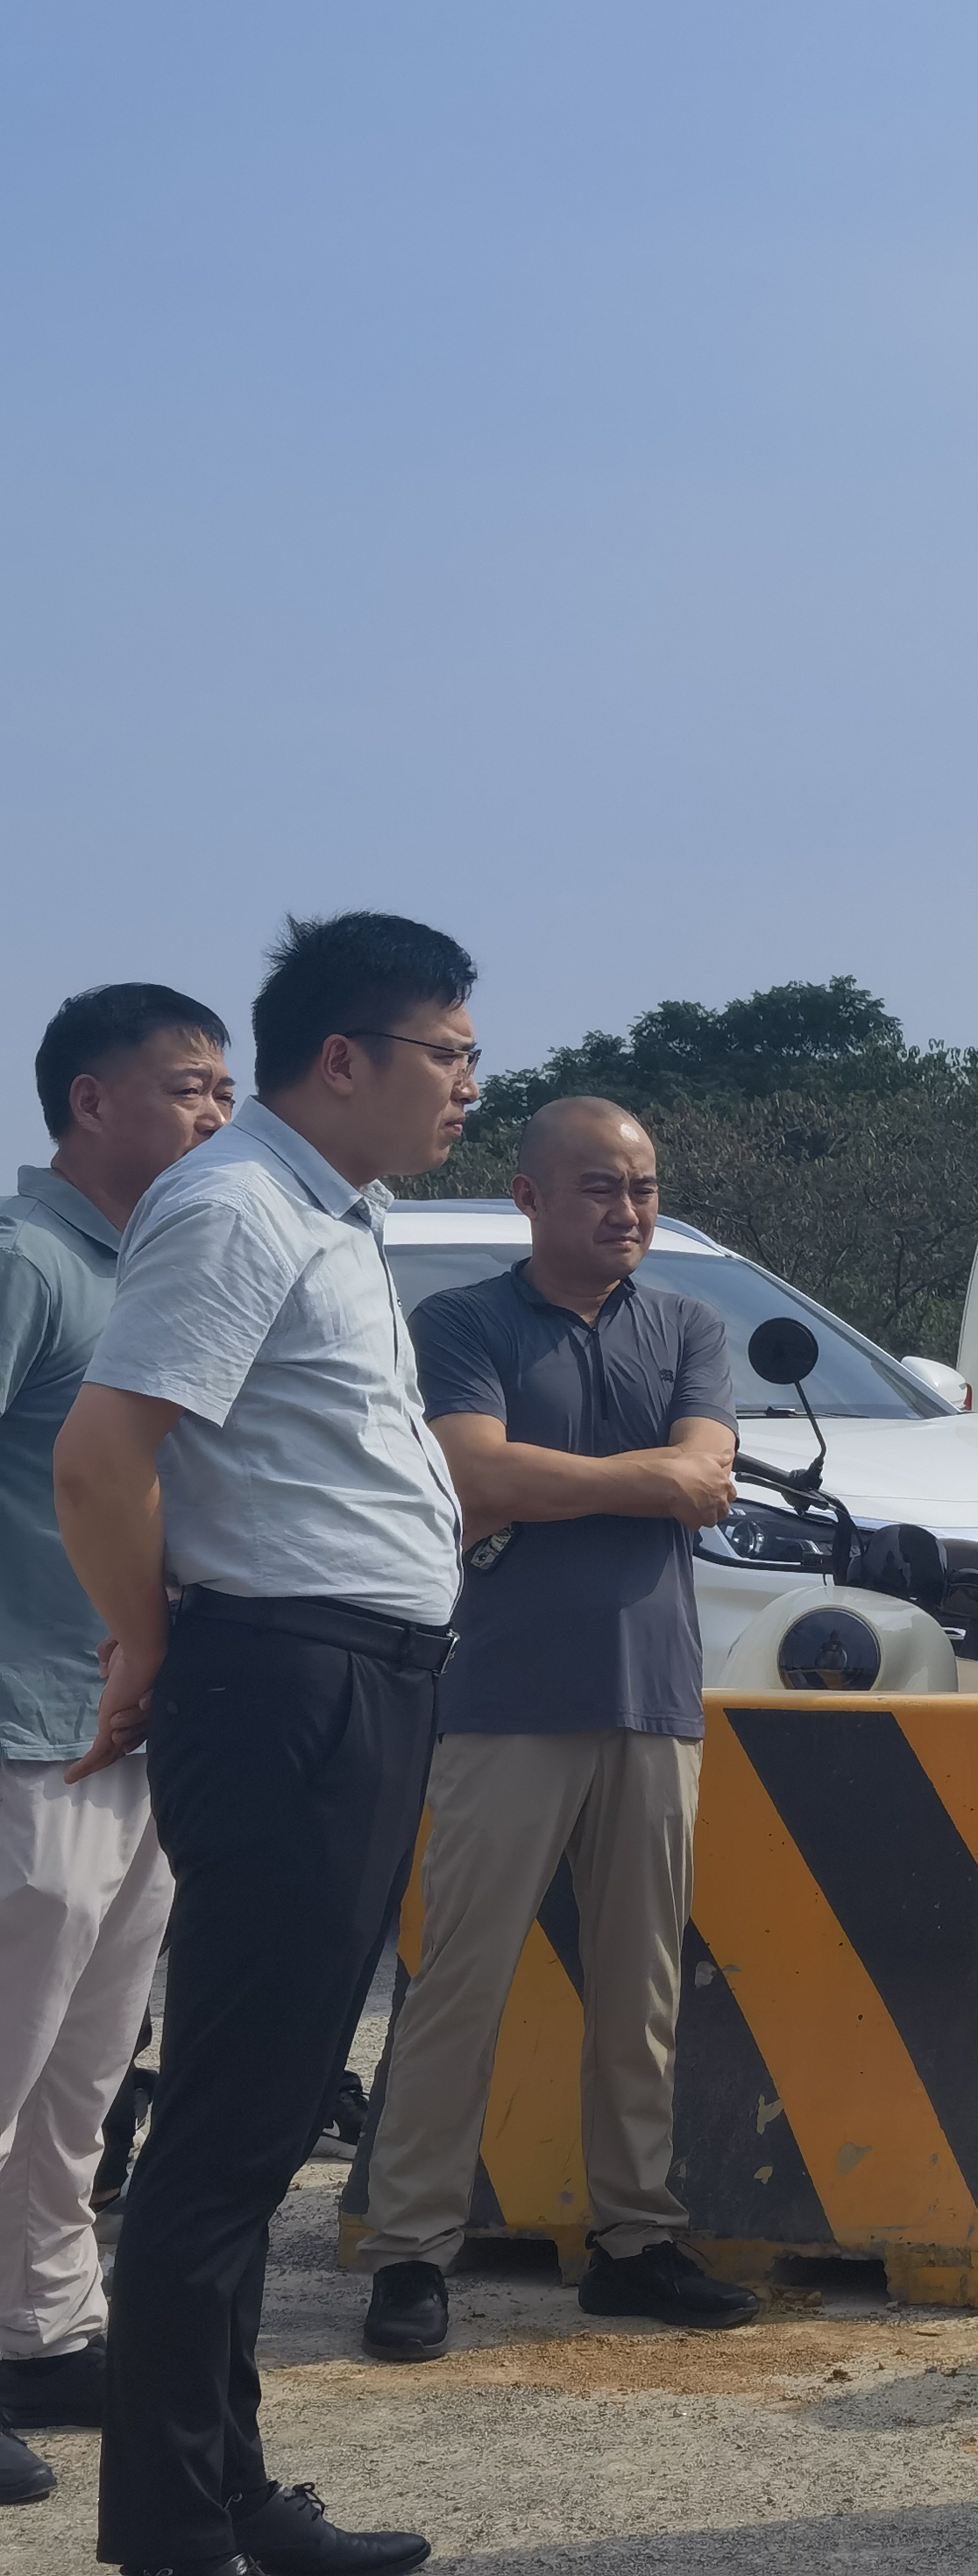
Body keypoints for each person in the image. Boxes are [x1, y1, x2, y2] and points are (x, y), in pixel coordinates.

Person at [57, 910, 485, 2576]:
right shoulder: (236, 1203)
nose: (468, 1085)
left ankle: (230, 2494)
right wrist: (153, 1649)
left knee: (270, 2107)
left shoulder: (333, 1214)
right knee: (231, 2131)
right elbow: (104, 1457)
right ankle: (175, 2528)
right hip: (285, 1676)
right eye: (448, 1053)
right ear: (345, 1058)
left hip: (354, 1674)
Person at [352, 1098, 763, 2360]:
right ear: (529, 1197)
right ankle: (410, 2252)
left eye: (643, 1186)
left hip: (653, 1695)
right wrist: (645, 1480)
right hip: (503, 1699)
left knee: (641, 1992)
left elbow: (706, 1475)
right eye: (598, 1186)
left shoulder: (688, 1325)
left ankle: (635, 2239)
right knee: (458, 1986)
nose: (627, 1210)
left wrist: (557, 1485)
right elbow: (472, 1472)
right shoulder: (463, 1323)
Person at [0, 987, 232, 2509]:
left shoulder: (155, 1270)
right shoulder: (28, 1262)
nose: (218, 1115)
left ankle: (40, 2328)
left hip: (135, 1728)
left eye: (226, 1091)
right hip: (26, 1725)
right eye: (191, 1086)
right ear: (93, 1101)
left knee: (81, 2074)